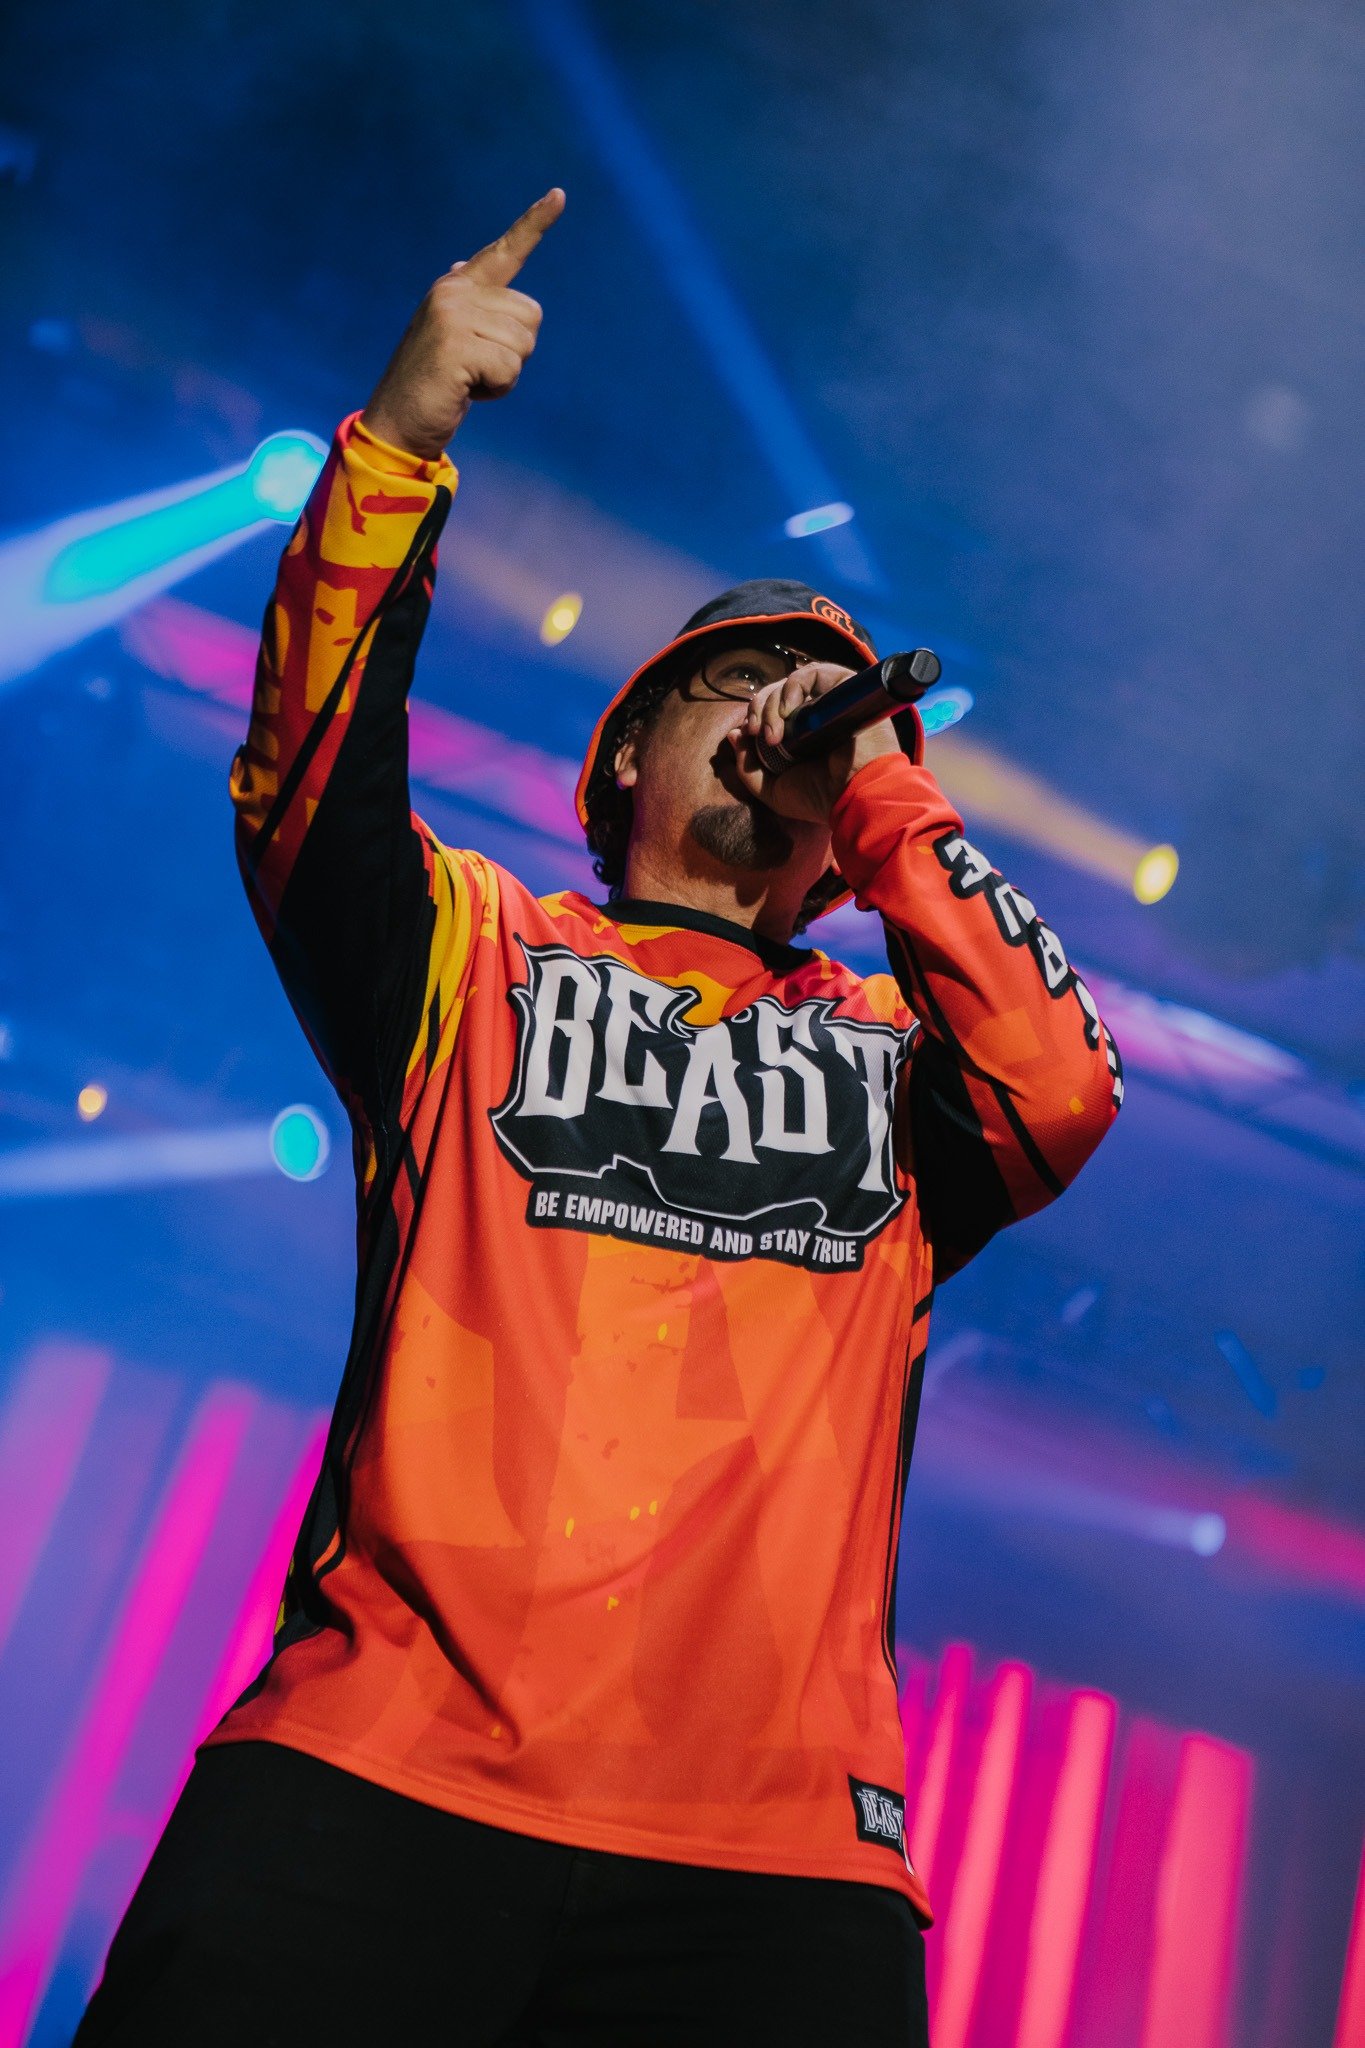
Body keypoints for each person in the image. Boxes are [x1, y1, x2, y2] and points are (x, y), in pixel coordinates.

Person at [77, 189, 1121, 2047]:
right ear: (624, 752)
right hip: (374, 1774)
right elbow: (306, 768)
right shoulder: (469, 947)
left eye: (808, 708)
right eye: (730, 689)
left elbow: (1063, 1086)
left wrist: (890, 800)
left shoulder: (899, 1059)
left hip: (769, 1861)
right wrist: (397, 444)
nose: (774, 721)